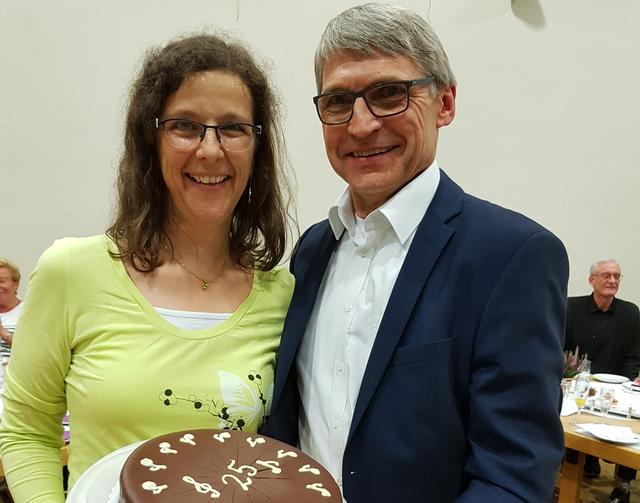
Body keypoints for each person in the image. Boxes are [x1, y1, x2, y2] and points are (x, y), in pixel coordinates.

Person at [268, 3, 569, 502]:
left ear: (445, 103)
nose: (361, 125)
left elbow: (512, 476)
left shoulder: (512, 256)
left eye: (389, 94)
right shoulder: (312, 250)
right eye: (339, 101)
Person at [0, 32, 294, 502]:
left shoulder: (283, 295)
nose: (210, 150)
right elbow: (26, 432)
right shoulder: (72, 272)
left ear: (257, 149)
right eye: (185, 125)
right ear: (149, 139)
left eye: (233, 128)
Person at [565, 259, 640, 503]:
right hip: (578, 384)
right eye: (606, 275)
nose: (612, 281)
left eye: (617, 276)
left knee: (629, 425)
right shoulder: (571, 307)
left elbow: (634, 356)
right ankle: (579, 465)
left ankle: (623, 485)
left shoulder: (630, 312)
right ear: (591, 280)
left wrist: (625, 385)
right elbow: (561, 349)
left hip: (617, 387)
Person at [0, 259, 23, 355]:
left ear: (16, 284)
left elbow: (35, 350)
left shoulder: (28, 312)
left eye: (1, 281)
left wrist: (3, 333)